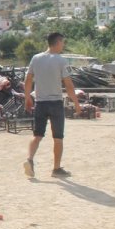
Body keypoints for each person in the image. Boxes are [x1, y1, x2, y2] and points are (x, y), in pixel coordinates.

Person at [23, 32, 81, 179]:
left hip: (40, 103)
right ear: (58, 42)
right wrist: (76, 103)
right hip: (55, 103)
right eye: (63, 43)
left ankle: (29, 159)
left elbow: (28, 80)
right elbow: (68, 85)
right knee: (58, 138)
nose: (63, 45)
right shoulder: (61, 61)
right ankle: (56, 169)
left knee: (37, 135)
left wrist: (27, 97)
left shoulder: (36, 59)